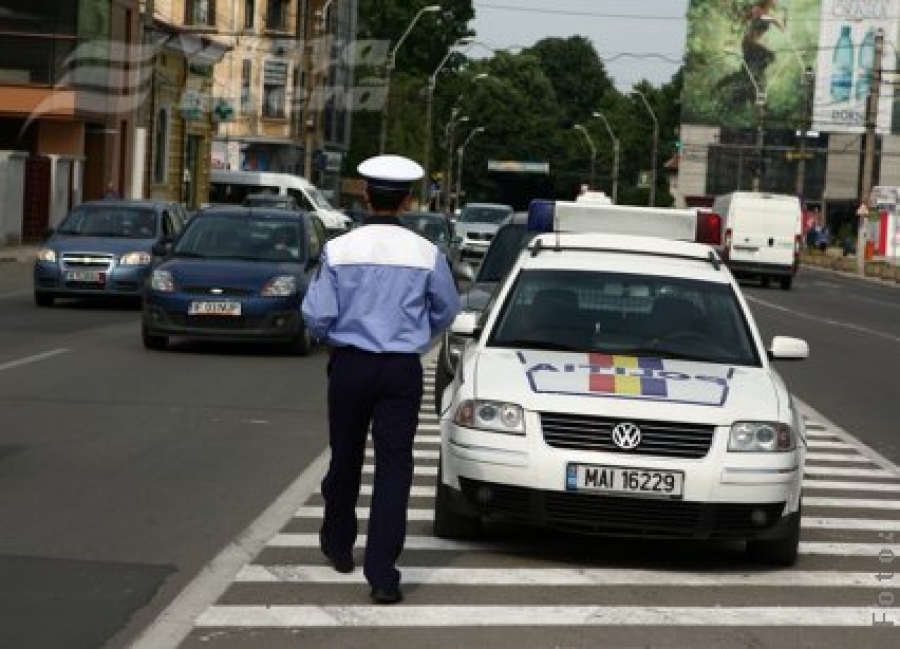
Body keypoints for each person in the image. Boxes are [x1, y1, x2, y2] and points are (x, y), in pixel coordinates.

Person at [301, 154, 460, 605]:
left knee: (345, 456)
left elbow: (316, 314)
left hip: (349, 365)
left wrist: (334, 338)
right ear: (408, 201)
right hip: (400, 369)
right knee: (395, 467)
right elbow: (446, 310)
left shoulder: (339, 248)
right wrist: (414, 335)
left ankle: (338, 545)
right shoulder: (427, 253)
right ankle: (382, 574)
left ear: (366, 195)